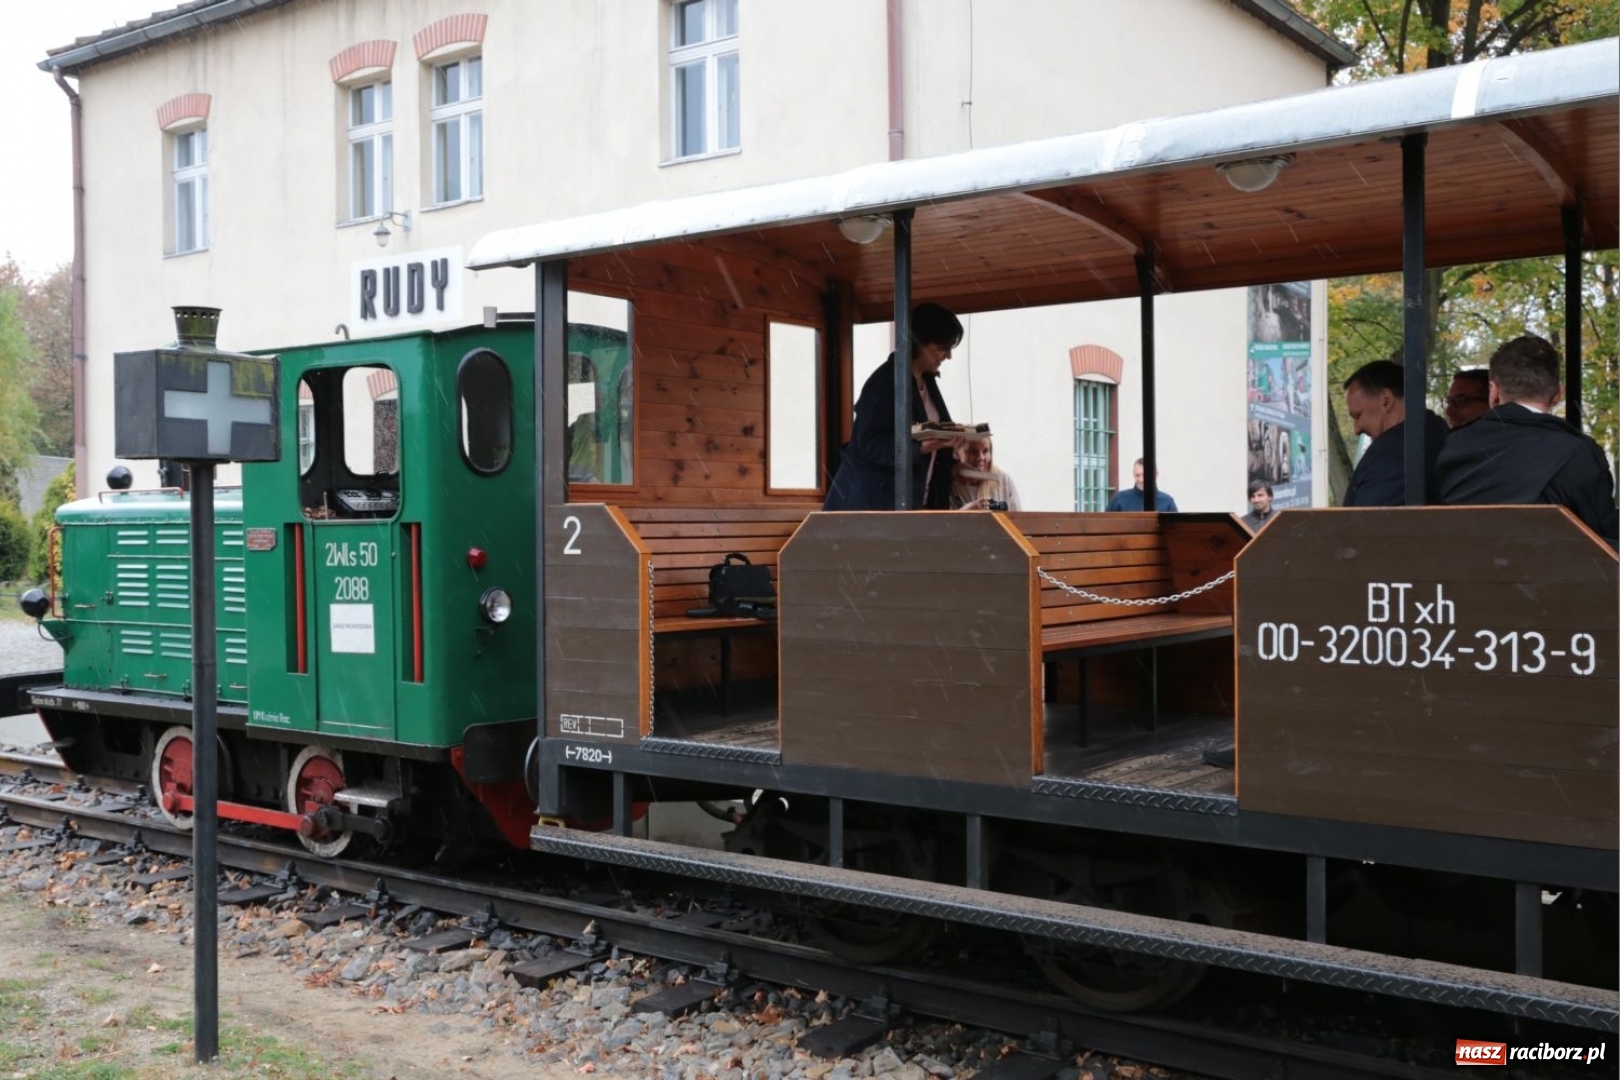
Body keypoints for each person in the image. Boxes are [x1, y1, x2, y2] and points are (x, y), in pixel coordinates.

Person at [1435, 334, 1618, 547]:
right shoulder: (1579, 454)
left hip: (1465, 566)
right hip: (1553, 567)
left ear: (1493, 392)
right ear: (1558, 394)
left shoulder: (1454, 446)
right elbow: (1606, 544)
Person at [824, 303, 964, 511]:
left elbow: (927, 441)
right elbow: (868, 444)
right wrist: (918, 448)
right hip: (873, 506)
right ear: (920, 342)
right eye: (942, 348)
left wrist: (952, 457)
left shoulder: (927, 380)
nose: (948, 355)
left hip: (913, 505)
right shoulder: (885, 381)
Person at [1340, 359, 1448, 506]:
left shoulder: (1390, 454)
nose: (1356, 429)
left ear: (1386, 400)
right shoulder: (1437, 430)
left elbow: (1367, 519)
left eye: (1358, 415)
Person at [950, 435, 1022, 511]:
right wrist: (965, 512)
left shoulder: (1003, 480)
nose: (981, 457)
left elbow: (1019, 516)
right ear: (956, 453)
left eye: (985, 451)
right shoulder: (947, 484)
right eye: (973, 451)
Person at [1105, 459, 1178, 512]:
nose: (1141, 480)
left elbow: (1175, 527)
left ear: (1155, 475)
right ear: (1133, 474)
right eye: (1137, 475)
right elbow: (1105, 524)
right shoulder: (1119, 499)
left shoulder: (1167, 501)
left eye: (1145, 475)